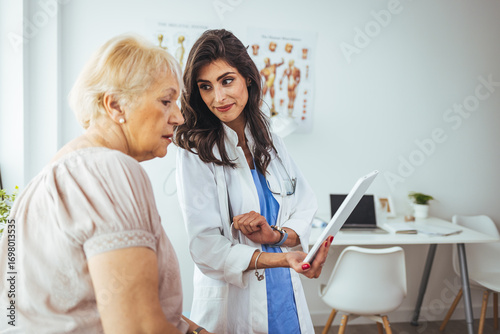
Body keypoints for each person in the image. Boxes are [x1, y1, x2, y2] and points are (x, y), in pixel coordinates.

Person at [0, 34, 211, 334]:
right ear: (116, 106)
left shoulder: (40, 185)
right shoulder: (109, 169)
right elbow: (138, 329)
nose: (178, 117)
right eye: (166, 101)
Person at [175, 29, 332, 334]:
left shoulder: (268, 137)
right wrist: (280, 259)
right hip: (234, 302)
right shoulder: (195, 150)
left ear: (247, 77)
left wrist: (275, 237)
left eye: (227, 80)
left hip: (284, 292)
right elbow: (205, 246)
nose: (217, 97)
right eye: (205, 87)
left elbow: (304, 204)